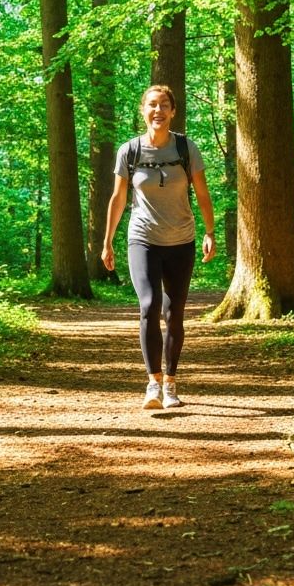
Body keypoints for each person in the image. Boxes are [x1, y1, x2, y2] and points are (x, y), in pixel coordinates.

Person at [101, 85, 216, 410]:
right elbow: (119, 198)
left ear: (173, 111)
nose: (158, 111)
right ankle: (152, 383)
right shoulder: (130, 151)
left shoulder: (185, 148)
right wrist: (107, 241)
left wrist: (210, 231)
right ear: (143, 110)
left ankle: (171, 384)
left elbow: (202, 193)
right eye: (152, 105)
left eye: (164, 105)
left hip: (181, 239)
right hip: (143, 239)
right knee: (149, 305)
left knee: (173, 312)